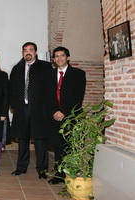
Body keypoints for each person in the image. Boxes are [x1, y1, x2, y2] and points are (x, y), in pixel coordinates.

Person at [9, 42, 52, 178]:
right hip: (22, 110)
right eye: (25, 50)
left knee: (40, 141)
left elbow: (49, 89)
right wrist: (14, 105)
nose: (28, 52)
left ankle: (42, 170)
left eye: (31, 50)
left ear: (36, 52)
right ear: (22, 53)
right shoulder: (17, 68)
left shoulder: (45, 67)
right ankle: (21, 168)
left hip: (39, 110)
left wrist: (47, 109)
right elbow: (12, 90)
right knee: (23, 140)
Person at [44, 46, 86, 184]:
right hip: (54, 116)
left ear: (67, 57)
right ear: (54, 59)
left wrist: (64, 112)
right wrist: (54, 112)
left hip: (71, 116)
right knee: (58, 147)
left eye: (62, 55)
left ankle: (70, 174)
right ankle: (59, 175)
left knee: (69, 146)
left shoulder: (78, 74)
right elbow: (48, 97)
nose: (59, 58)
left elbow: (77, 97)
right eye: (56, 56)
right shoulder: (49, 75)